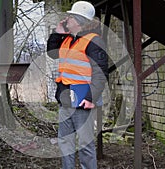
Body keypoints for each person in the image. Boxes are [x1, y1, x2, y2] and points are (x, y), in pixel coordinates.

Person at [47, 1, 109, 169]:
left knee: (84, 145)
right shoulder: (67, 39)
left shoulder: (93, 41)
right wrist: (57, 33)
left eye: (70, 17)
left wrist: (90, 98)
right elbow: (52, 54)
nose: (66, 19)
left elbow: (101, 73)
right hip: (66, 98)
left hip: (83, 100)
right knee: (65, 143)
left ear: (79, 21)